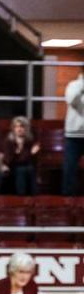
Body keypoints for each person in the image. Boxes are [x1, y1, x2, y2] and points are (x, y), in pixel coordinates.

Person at [0, 116, 39, 197]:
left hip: (26, 167)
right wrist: (23, 152)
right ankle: (21, 197)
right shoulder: (8, 141)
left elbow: (32, 160)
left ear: (26, 128)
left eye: (22, 126)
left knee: (30, 169)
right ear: (13, 129)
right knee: (22, 169)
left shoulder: (29, 141)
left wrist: (22, 152)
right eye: (17, 126)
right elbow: (9, 160)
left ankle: (34, 198)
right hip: (11, 167)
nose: (19, 129)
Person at [62, 62, 84, 197]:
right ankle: (68, 197)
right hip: (74, 134)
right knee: (70, 167)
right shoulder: (73, 85)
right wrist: (82, 85)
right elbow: (71, 100)